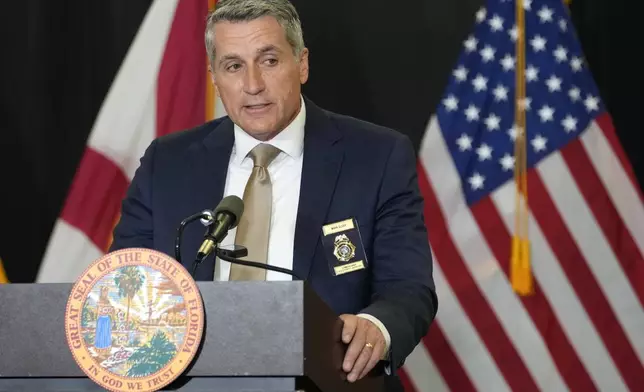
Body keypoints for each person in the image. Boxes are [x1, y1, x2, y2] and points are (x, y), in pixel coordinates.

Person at [110, 0, 437, 390]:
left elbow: (407, 287)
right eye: (233, 66)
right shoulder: (167, 163)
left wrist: (377, 327)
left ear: (302, 64)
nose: (252, 85)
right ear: (215, 77)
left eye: (268, 60)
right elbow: (125, 283)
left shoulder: (376, 156)